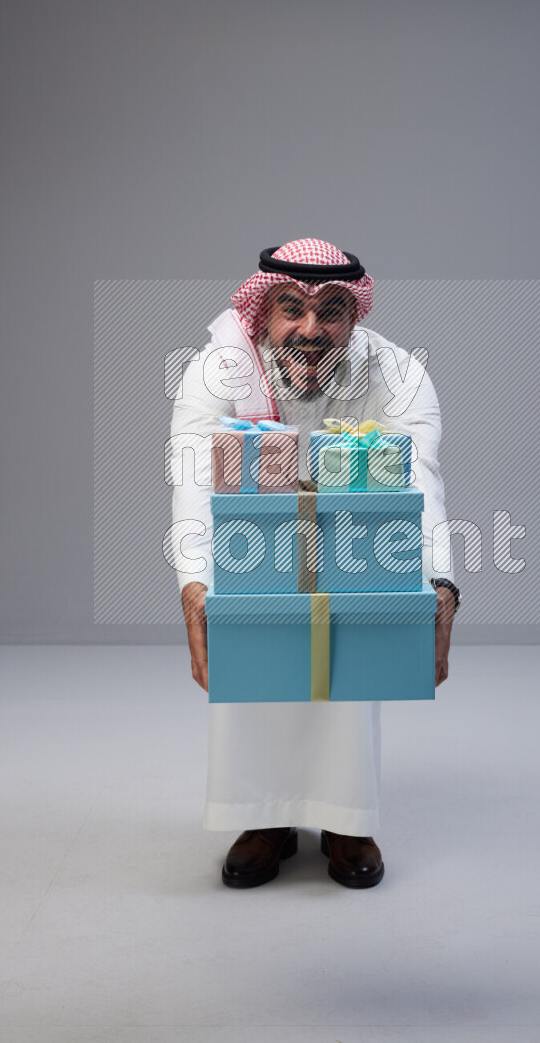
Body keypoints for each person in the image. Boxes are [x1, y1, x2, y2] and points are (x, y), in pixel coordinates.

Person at [169, 238, 458, 889]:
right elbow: (191, 476)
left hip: (357, 544)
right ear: (262, 314)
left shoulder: (397, 373)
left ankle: (346, 817)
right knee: (253, 662)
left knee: (346, 663)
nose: (310, 329)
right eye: (290, 309)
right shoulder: (218, 370)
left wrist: (441, 584)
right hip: (249, 547)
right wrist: (194, 584)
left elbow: (421, 479)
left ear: (354, 319)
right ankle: (261, 817)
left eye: (330, 310)